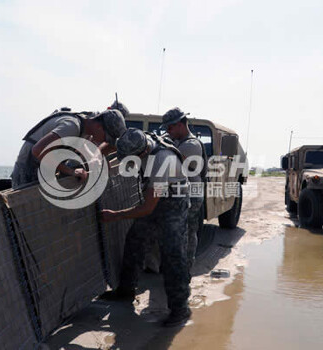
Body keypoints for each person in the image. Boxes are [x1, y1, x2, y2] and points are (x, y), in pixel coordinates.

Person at [100, 128, 191, 327]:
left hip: (173, 204)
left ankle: (180, 309)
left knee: (172, 256)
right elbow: (116, 145)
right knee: (135, 239)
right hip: (159, 196)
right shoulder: (140, 140)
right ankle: (126, 291)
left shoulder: (161, 161)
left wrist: (116, 215)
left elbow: (148, 207)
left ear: (141, 153)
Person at [11, 107, 126, 189]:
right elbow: (37, 151)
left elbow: (82, 148)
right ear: (98, 127)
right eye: (106, 137)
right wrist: (71, 171)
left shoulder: (86, 130)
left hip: (43, 169)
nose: (104, 141)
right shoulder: (72, 126)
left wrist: (95, 161)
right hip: (28, 169)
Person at [161, 107, 208, 269]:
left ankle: (184, 268)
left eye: (170, 128)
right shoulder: (178, 141)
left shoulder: (191, 145)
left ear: (180, 125)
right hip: (181, 193)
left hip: (191, 195)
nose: (168, 131)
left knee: (186, 232)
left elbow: (168, 161)